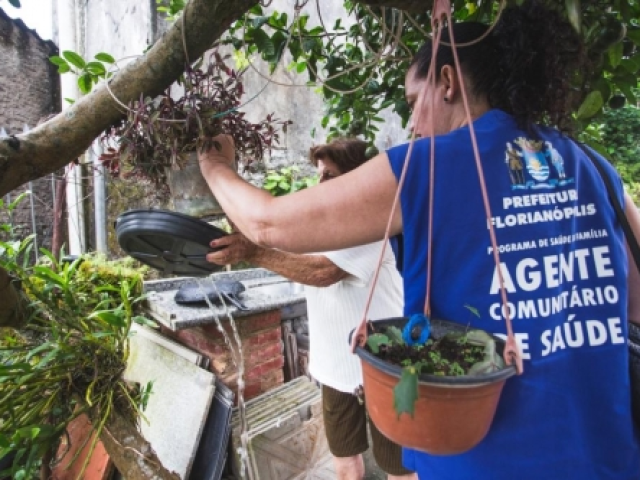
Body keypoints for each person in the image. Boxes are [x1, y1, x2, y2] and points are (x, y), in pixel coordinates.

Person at [198, 1, 640, 478]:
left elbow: (267, 223)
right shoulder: (596, 167)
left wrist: (214, 166)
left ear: (446, 83)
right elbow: (634, 302)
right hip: (604, 453)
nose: (414, 125)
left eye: (413, 103)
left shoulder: (428, 164)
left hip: (482, 459)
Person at [207, 139, 416, 480]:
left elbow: (323, 272)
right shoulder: (326, 228)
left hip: (383, 369)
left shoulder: (373, 226)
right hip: (335, 369)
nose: (320, 187)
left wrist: (255, 253)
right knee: (345, 463)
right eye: (319, 175)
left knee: (399, 471)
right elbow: (275, 234)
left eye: (330, 177)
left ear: (356, 180)